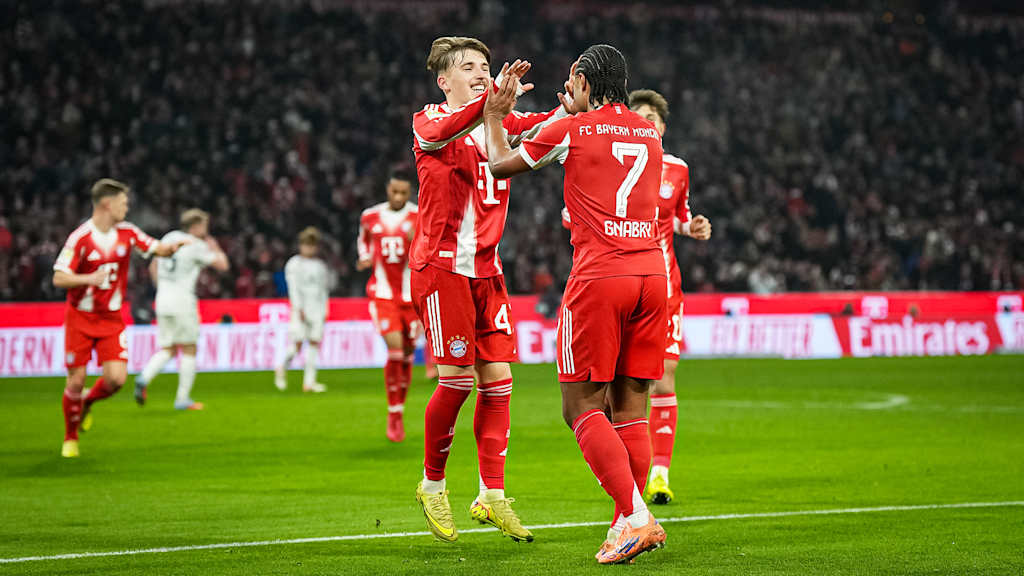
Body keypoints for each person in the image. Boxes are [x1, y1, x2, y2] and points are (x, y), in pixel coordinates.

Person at [482, 45, 668, 564]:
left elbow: (499, 164)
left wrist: (495, 117)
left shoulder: (572, 129)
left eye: (572, 81)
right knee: (630, 409)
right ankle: (625, 523)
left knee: (581, 406)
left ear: (584, 81)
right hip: (652, 275)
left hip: (601, 277)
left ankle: (636, 516)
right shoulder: (650, 134)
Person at [410, 36, 566, 544]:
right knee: (457, 382)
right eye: (469, 67)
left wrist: (574, 107)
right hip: (443, 270)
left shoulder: (500, 123)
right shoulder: (429, 121)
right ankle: (433, 485)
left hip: (487, 272)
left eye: (485, 66)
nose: (481, 72)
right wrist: (493, 105)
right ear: (444, 80)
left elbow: (545, 125)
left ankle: (491, 496)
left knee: (498, 380)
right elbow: (450, 128)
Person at [53, 178, 185, 458]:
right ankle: (70, 437)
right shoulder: (80, 238)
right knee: (75, 381)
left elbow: (155, 247)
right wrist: (88, 278)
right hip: (80, 317)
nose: (127, 208)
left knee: (115, 379)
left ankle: (87, 402)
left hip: (111, 319)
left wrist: (171, 248)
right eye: (123, 203)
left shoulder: (128, 232)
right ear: (106, 204)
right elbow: (59, 277)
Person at [627, 89, 712, 505]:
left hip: (665, 287)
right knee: (624, 385)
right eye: (638, 117)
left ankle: (659, 475)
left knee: (664, 376)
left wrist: (690, 226)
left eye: (652, 118)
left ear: (662, 127)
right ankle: (626, 473)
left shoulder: (677, 169)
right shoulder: (615, 160)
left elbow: (677, 216)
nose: (646, 123)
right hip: (622, 284)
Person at [134, 208, 230, 410]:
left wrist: (162, 288)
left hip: (162, 299)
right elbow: (223, 265)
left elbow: (153, 267)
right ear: (195, 226)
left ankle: (144, 377)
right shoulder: (196, 244)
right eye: (204, 226)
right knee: (189, 347)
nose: (206, 231)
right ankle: (182, 399)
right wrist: (215, 247)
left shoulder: (169, 237)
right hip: (183, 300)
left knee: (168, 348)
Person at [357, 170, 420, 442]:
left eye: (403, 193)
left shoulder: (418, 216)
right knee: (395, 351)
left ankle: (400, 407)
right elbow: (363, 241)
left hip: (412, 297)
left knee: (407, 354)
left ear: (409, 193)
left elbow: (431, 248)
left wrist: (418, 242)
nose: (398, 197)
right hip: (382, 294)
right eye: (394, 191)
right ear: (387, 190)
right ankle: (393, 413)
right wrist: (364, 257)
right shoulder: (370, 216)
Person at [274, 227, 331, 393]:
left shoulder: (320, 266)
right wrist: (298, 308)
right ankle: (281, 366)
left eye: (312, 245)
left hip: (317, 309)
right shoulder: (294, 264)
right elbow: (293, 288)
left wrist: (325, 309)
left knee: (314, 342)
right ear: (300, 245)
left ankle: (309, 382)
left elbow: (323, 290)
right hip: (300, 309)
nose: (309, 248)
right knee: (298, 343)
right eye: (307, 245)